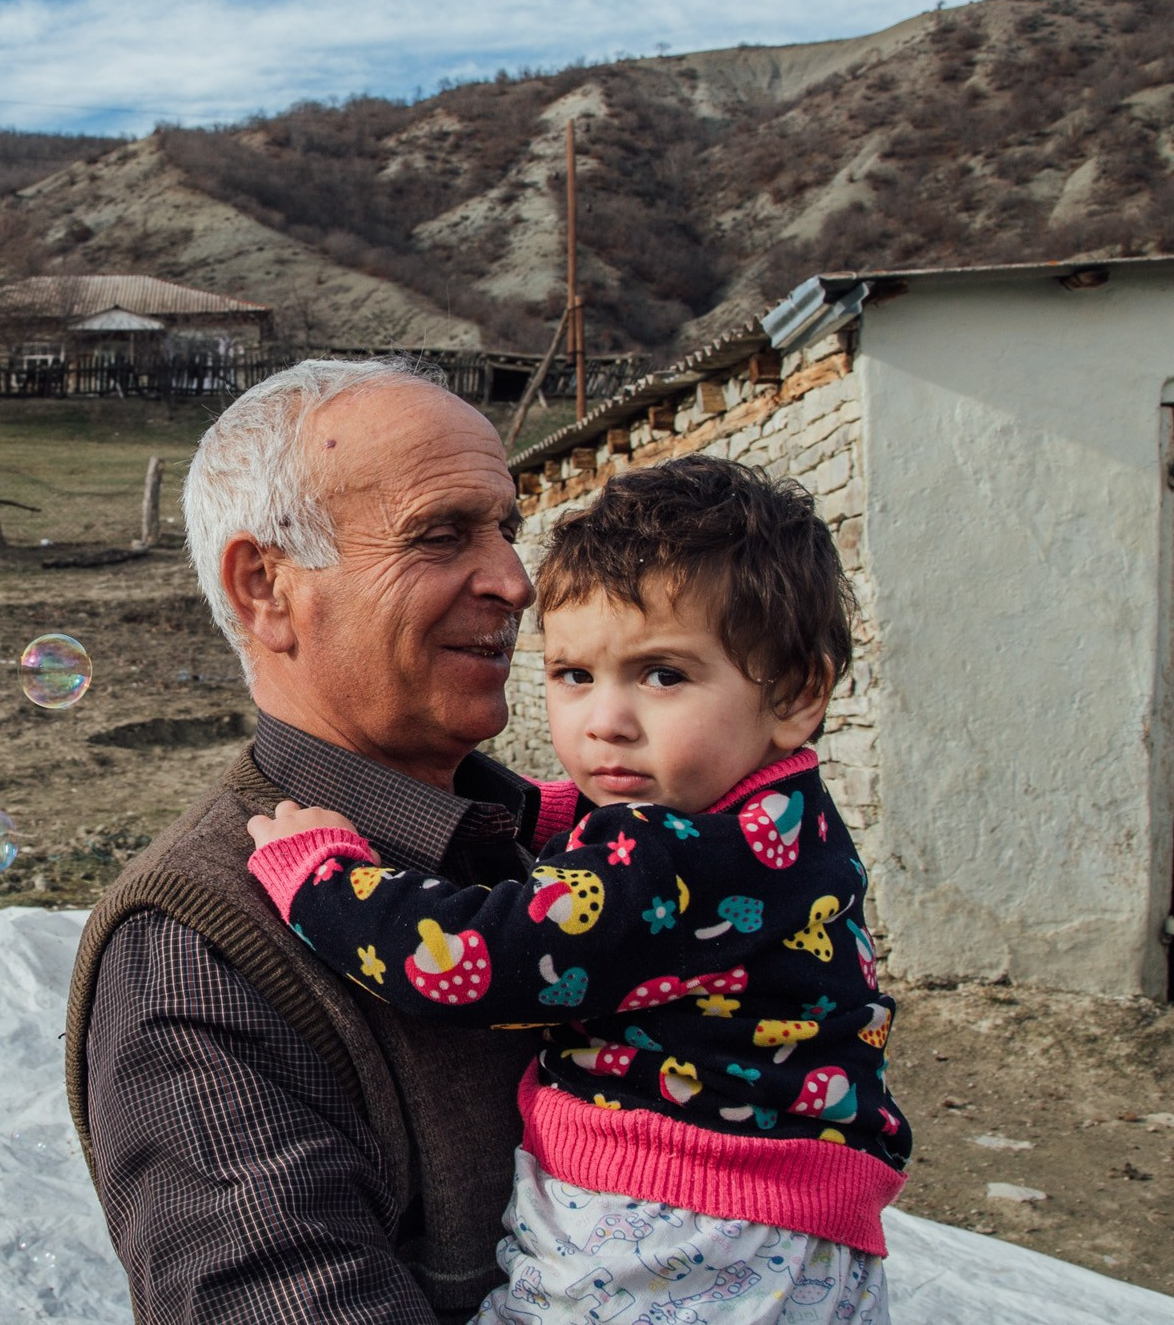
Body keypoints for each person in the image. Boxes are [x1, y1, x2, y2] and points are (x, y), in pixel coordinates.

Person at [246, 455, 910, 1324]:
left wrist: (323, 878)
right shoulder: (789, 818)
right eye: (574, 676)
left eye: (663, 675)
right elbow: (635, 865)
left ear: (797, 694)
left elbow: (479, 962)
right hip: (790, 1228)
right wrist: (566, 819)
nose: (605, 721)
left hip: (677, 1233)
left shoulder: (663, 860)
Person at [64, 358, 548, 1322]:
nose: (514, 581)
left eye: (506, 530)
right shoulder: (199, 953)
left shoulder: (558, 846)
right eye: (440, 535)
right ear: (267, 589)